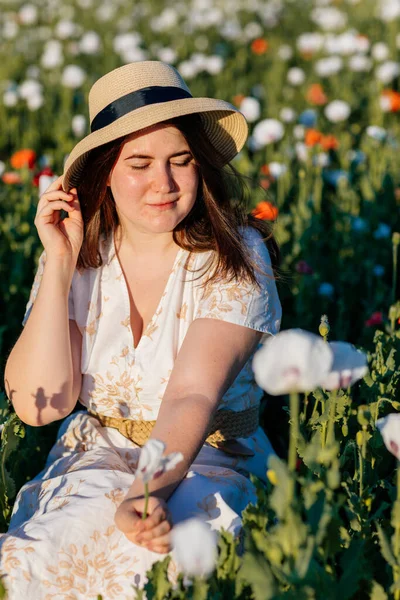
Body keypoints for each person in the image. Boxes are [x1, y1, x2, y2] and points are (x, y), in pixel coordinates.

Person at [1, 61, 281, 598]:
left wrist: (144, 494)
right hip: (95, 452)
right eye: (140, 163)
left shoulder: (235, 255)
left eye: (181, 160)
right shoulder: (80, 254)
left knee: (156, 566)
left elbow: (193, 393)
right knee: (37, 564)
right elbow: (41, 406)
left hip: (208, 457)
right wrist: (58, 266)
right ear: (105, 170)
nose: (165, 183)